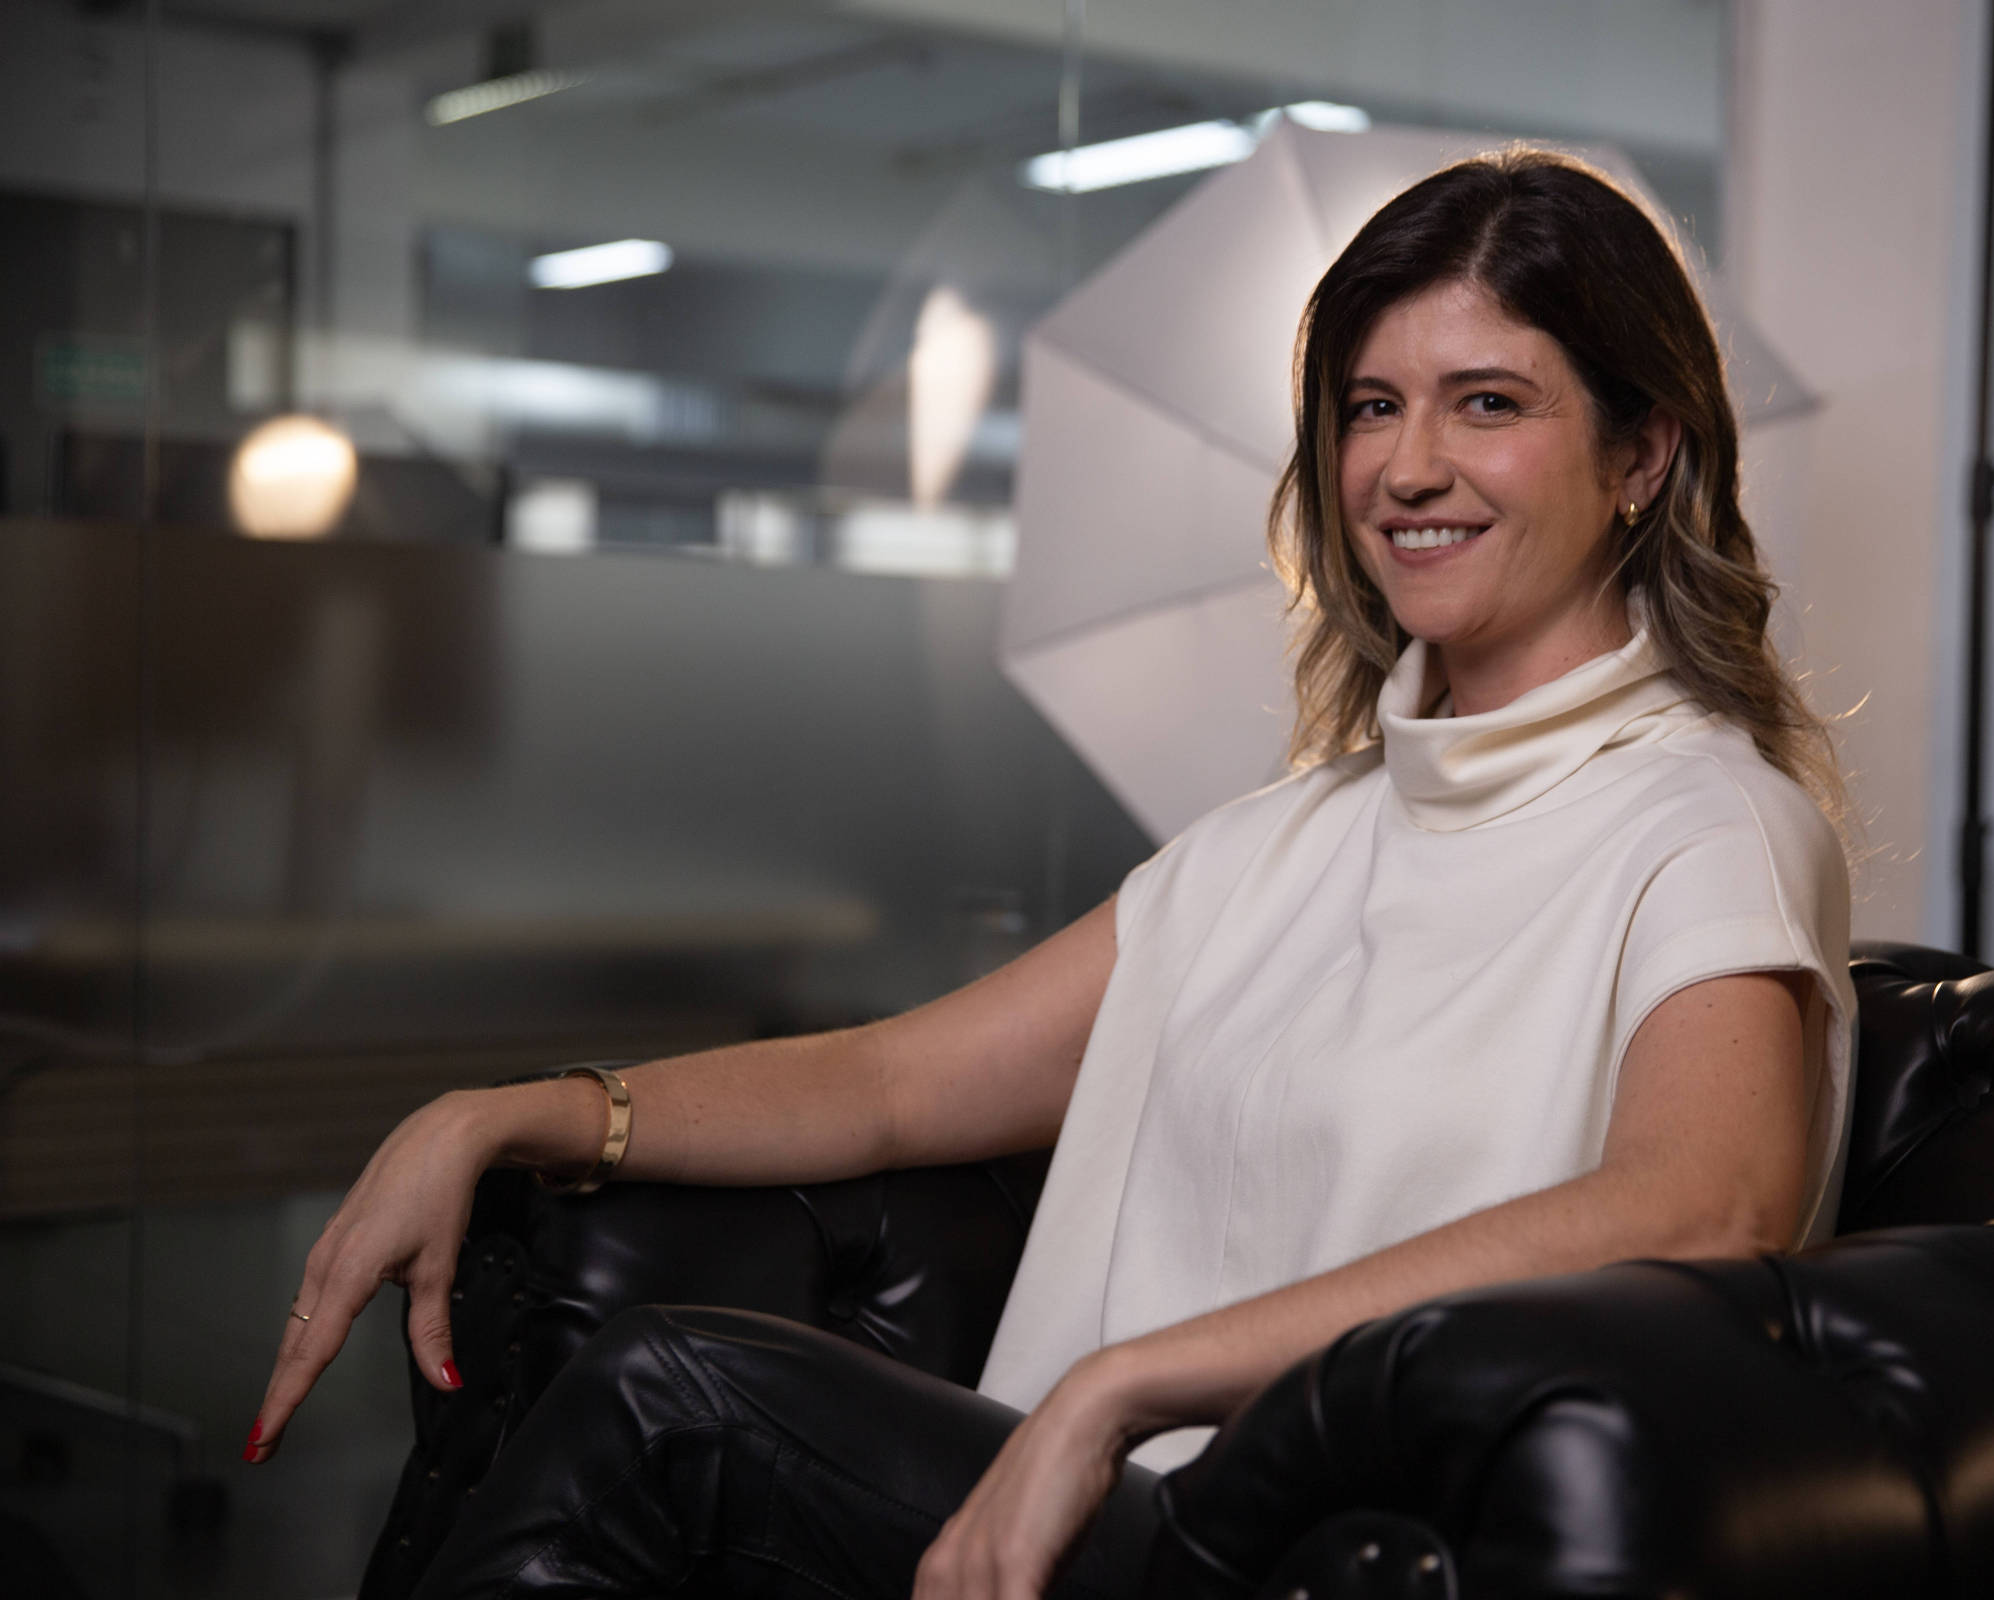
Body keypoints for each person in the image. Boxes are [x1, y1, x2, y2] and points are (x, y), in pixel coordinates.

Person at [251, 149, 1853, 1599]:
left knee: (672, 1397)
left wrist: (1124, 1383)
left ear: (1642, 455)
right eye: (1374, 406)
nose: (1409, 468)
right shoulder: (1278, 845)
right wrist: (513, 1112)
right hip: (1081, 1520)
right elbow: (888, 1084)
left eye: (1488, 403)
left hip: (1310, 1549)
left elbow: (1703, 1202)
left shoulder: (1701, 819)